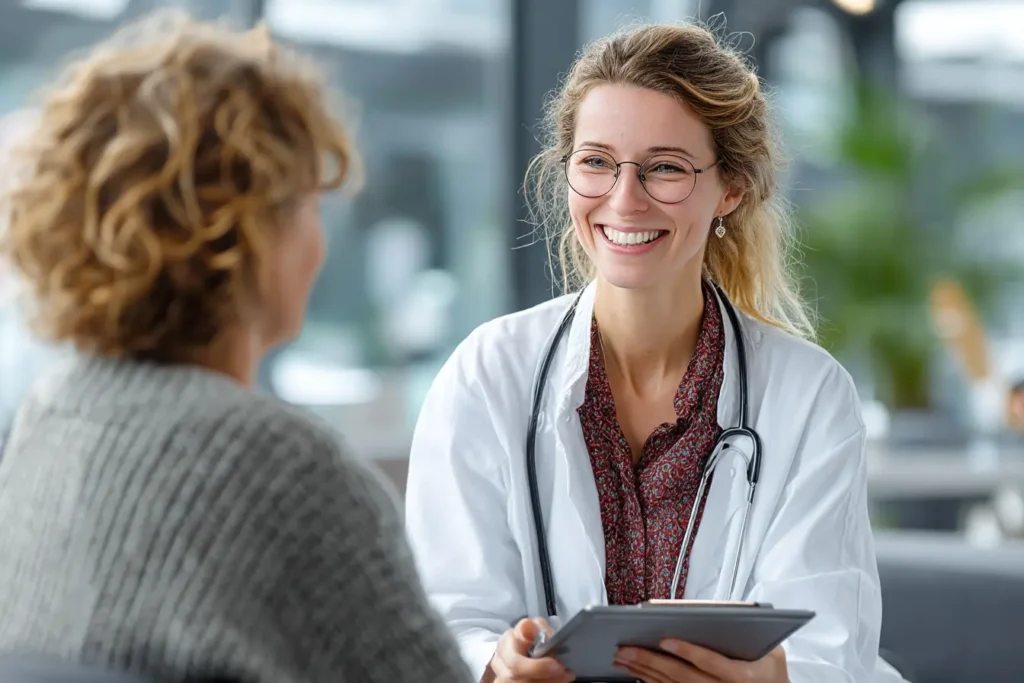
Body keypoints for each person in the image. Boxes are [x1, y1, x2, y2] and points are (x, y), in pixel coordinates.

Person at [404, 22, 907, 683]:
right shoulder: (487, 374)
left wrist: (775, 680)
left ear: (730, 187)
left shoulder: (809, 394)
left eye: (665, 167)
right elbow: (442, 620)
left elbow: (831, 644)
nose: (624, 197)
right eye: (596, 162)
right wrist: (490, 665)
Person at [0, 11, 470, 683]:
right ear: (246, 235)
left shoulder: (48, 419)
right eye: (309, 205)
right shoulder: (283, 464)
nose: (320, 242)